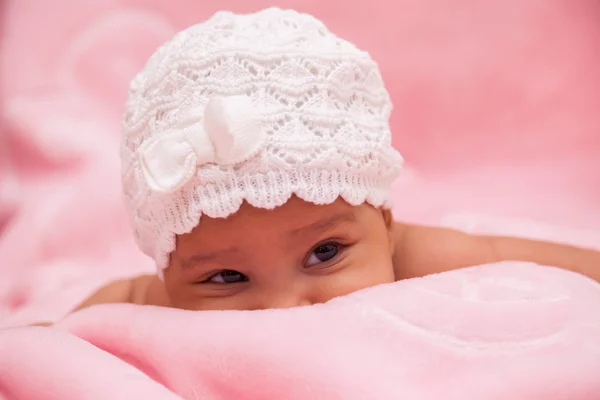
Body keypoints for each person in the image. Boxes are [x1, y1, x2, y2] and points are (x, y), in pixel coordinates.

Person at [69, 8, 600, 314]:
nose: (284, 311)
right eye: (227, 277)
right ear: (166, 268)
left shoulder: (418, 257)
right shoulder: (157, 302)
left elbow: (537, 262)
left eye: (324, 252)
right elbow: (76, 335)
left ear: (385, 225)